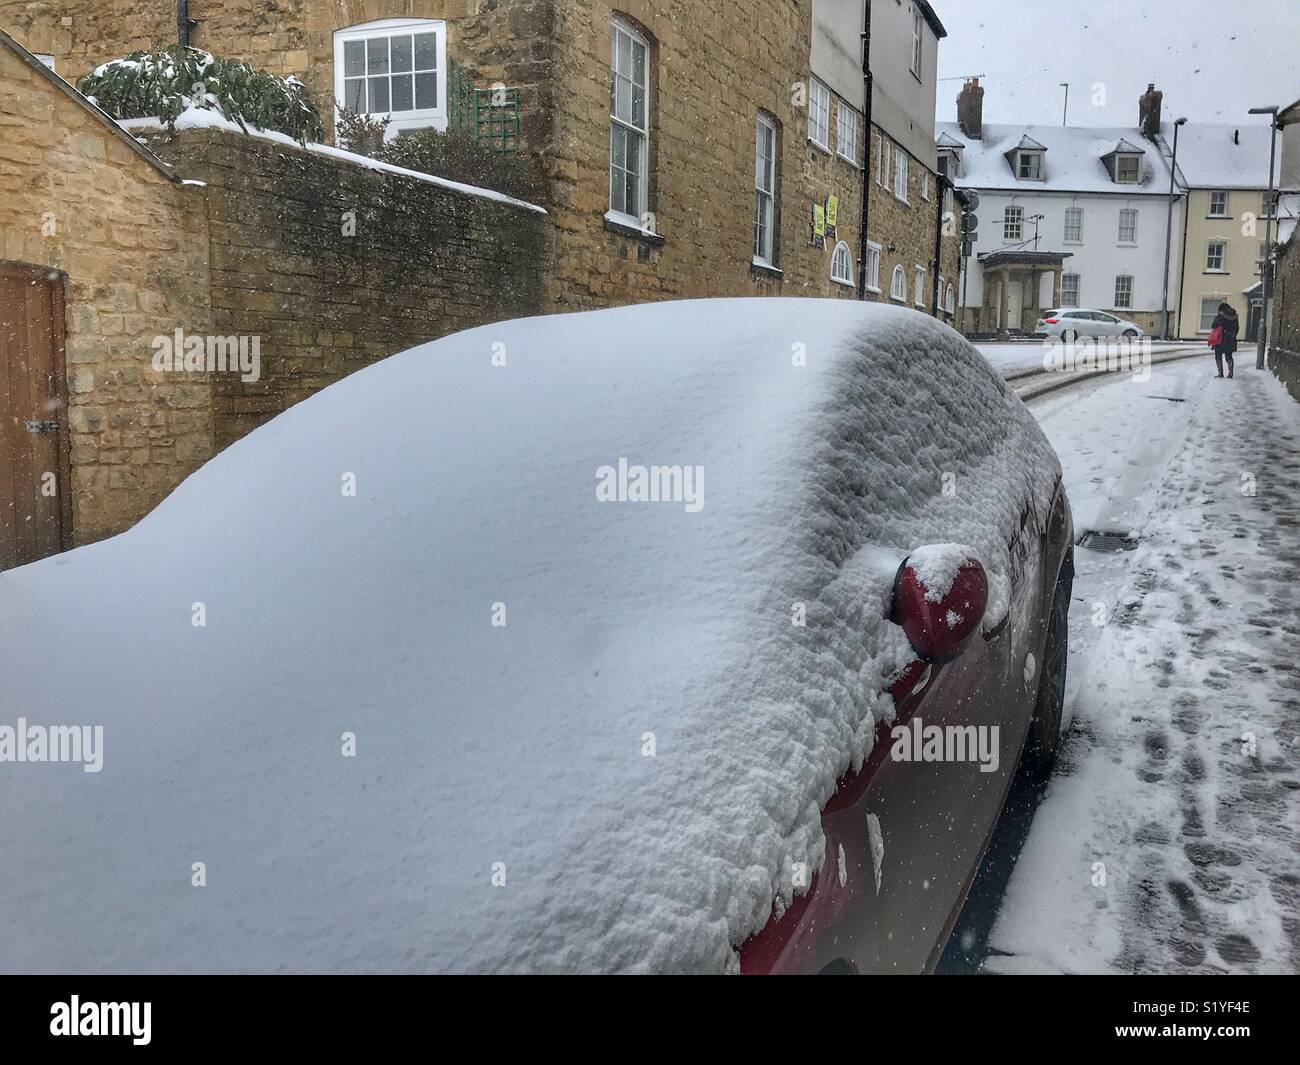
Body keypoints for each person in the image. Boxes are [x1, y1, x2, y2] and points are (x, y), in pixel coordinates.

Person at [1210, 302, 1239, 378]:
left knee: (1218, 355)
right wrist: (1232, 335)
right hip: (1231, 338)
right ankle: (1230, 373)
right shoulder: (1235, 316)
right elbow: (1237, 328)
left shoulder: (1220, 316)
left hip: (1221, 338)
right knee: (1229, 356)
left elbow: (1214, 325)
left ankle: (1220, 373)